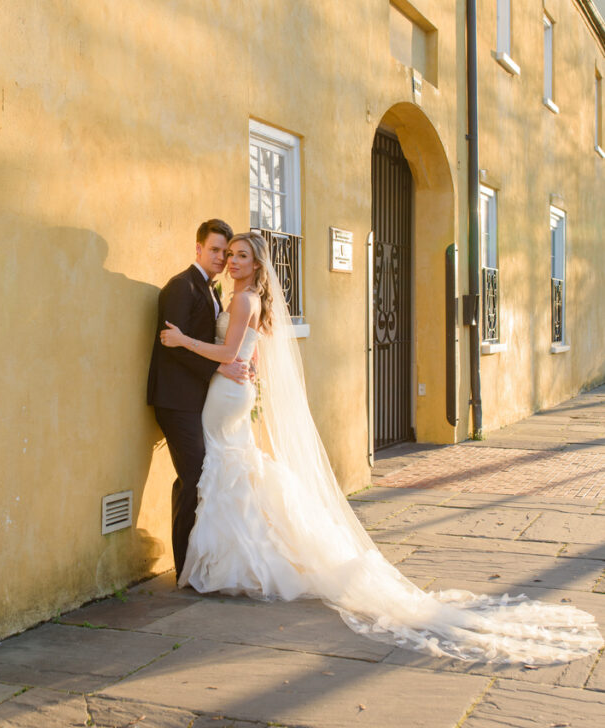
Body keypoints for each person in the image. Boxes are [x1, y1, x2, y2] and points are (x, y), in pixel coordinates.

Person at [160, 232, 603, 665]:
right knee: (232, 467)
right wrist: (244, 364)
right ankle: (242, 557)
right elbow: (246, 352)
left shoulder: (242, 299)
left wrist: (183, 341)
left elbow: (229, 351)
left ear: (256, 264)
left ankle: (235, 561)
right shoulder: (242, 298)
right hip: (231, 393)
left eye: (240, 256)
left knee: (227, 466)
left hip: (225, 394)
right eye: (228, 254)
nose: (232, 261)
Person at [147, 218, 249, 579]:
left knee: (198, 475)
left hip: (197, 401)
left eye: (226, 252)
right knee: (194, 477)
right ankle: (184, 569)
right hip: (175, 401)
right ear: (198, 249)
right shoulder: (181, 286)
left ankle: (194, 561)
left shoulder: (212, 289)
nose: (221, 257)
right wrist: (218, 370)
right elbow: (171, 345)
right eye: (215, 250)